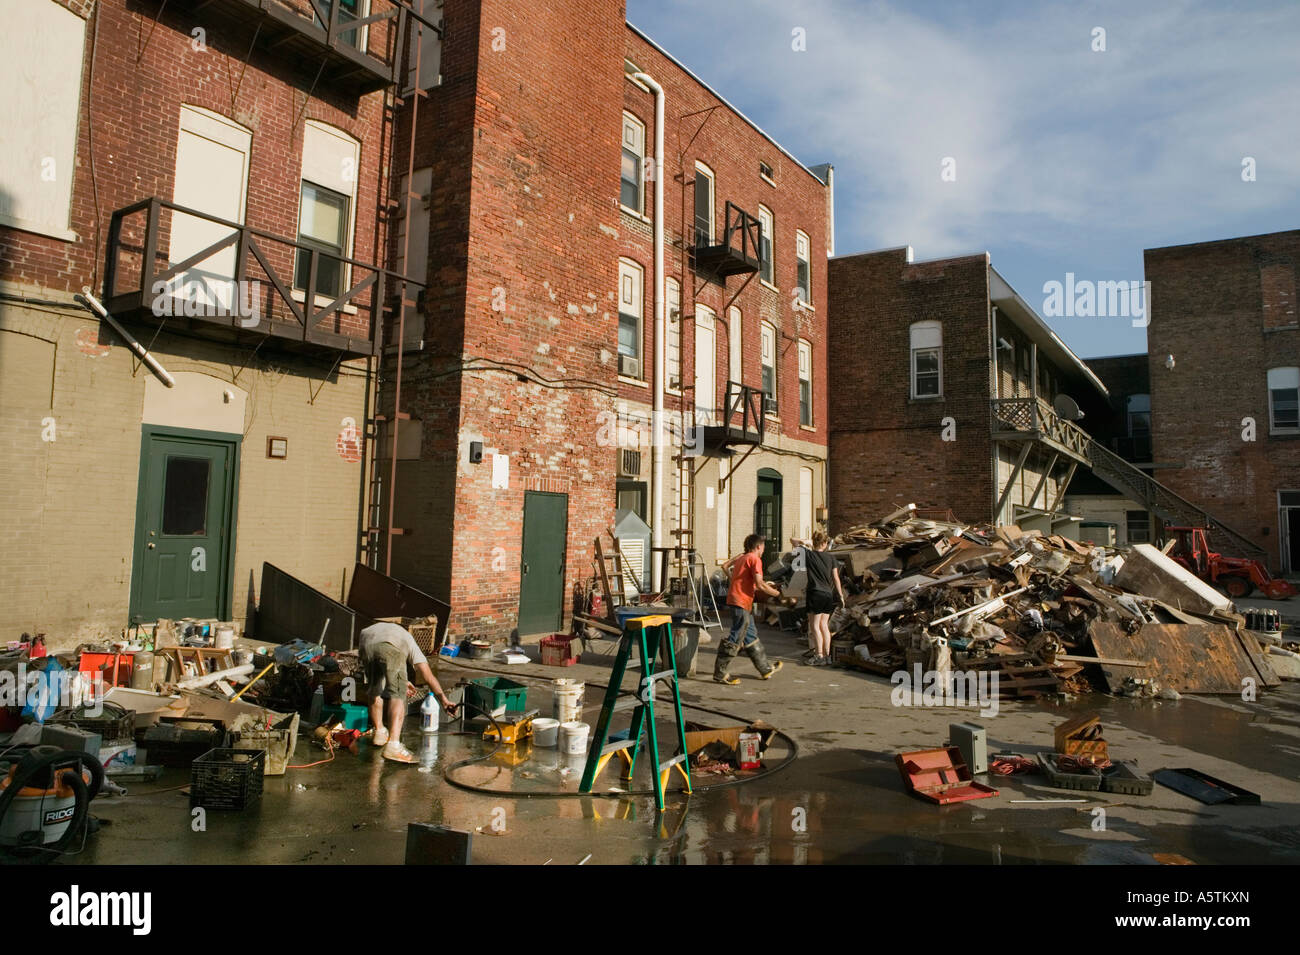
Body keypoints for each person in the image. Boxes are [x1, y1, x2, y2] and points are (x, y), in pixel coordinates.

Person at [359, 620, 457, 764]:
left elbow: (384, 662)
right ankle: (393, 745)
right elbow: (428, 676)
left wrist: (403, 680)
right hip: (389, 647)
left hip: (367, 643)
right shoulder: (410, 642)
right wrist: (444, 700)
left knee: (375, 689)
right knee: (398, 694)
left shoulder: (385, 629)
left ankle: (379, 732)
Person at [715, 534, 784, 685]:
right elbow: (760, 584)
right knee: (736, 636)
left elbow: (726, 567)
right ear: (759, 546)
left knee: (750, 635)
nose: (764, 550)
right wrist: (778, 595)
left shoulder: (742, 558)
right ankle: (720, 673)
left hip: (738, 600)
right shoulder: (754, 559)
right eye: (763, 547)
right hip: (740, 601)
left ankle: (765, 668)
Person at [800, 530, 845, 666]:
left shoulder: (809, 555)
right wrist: (840, 595)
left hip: (815, 593)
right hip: (828, 594)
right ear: (825, 543)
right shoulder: (831, 558)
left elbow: (793, 541)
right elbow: (836, 578)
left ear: (814, 542)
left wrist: (807, 543)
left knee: (814, 626)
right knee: (824, 626)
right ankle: (827, 656)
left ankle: (818, 655)